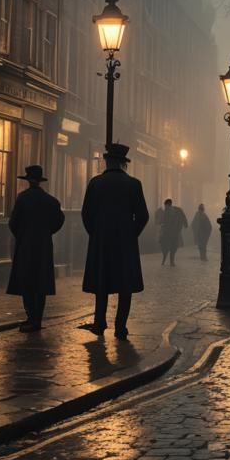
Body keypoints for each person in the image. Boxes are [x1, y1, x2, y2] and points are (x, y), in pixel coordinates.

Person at [80, 143, 150, 339]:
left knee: (102, 283)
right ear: (123, 163)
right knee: (124, 286)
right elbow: (143, 215)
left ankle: (100, 322)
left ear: (107, 161)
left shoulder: (95, 183)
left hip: (101, 241)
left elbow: (86, 214)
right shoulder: (134, 184)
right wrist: (131, 234)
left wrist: (95, 233)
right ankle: (120, 326)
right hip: (124, 243)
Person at [6, 165, 65, 332]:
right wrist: (47, 233)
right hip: (44, 246)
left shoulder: (22, 199)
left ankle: (30, 317)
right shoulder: (51, 201)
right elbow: (59, 221)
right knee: (40, 283)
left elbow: (13, 223)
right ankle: (37, 318)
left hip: (26, 245)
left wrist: (22, 235)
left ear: (28, 181)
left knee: (26, 281)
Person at [157, 198, 188, 266]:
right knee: (165, 247)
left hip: (175, 232)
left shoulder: (178, 210)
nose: (165, 207)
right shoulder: (165, 212)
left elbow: (183, 217)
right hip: (167, 233)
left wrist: (185, 224)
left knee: (173, 247)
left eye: (166, 206)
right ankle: (164, 259)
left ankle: (171, 261)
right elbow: (161, 221)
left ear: (168, 205)